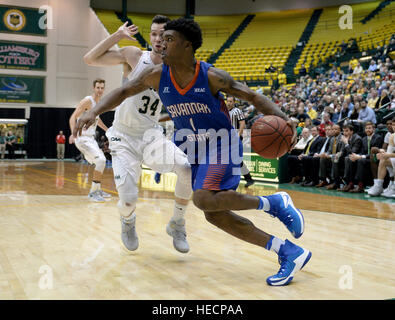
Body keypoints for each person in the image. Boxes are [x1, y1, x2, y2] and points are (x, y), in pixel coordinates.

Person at [75, 18, 311, 286]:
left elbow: (254, 97)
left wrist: (287, 120)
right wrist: (94, 111)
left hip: (221, 143)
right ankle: (288, 252)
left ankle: (274, 203)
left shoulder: (211, 76)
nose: (162, 43)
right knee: (213, 213)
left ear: (187, 46)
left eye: (169, 39)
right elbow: (123, 91)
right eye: (161, 38)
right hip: (194, 149)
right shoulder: (156, 74)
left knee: (202, 198)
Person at [83, 16, 192, 253]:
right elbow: (89, 59)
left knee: (185, 168)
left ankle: (177, 223)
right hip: (123, 137)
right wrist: (118, 36)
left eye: (163, 35)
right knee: (129, 199)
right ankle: (128, 221)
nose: (157, 39)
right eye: (153, 33)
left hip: (151, 134)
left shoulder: (177, 69)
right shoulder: (134, 56)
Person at [69, 79, 112, 202]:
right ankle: (93, 192)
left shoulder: (99, 103)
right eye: (98, 87)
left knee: (101, 162)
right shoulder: (88, 101)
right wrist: (74, 133)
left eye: (102, 88)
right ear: (94, 88)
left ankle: (97, 189)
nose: (100, 90)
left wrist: (108, 130)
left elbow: (98, 120)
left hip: (90, 139)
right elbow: (73, 117)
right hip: (82, 138)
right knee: (101, 160)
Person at [226, 95, 255, 187]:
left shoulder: (238, 111)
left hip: (235, 137)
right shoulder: (224, 111)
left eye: (231, 101)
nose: (229, 103)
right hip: (226, 137)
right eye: (228, 101)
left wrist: (238, 135)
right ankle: (248, 178)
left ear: (234, 102)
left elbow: (242, 123)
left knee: (235, 159)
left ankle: (248, 178)